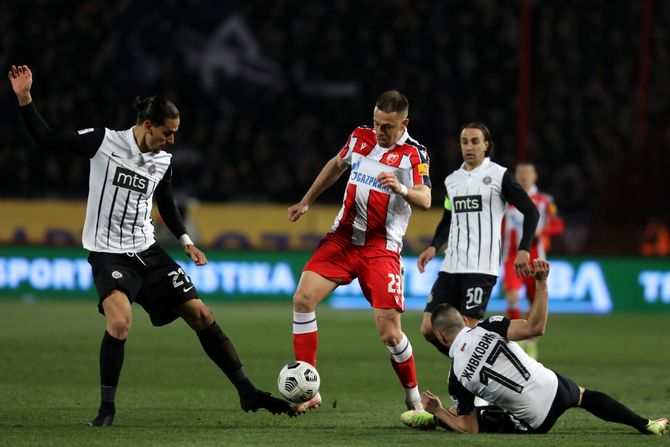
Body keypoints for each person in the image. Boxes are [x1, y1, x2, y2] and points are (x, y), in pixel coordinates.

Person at [8, 64, 293, 427]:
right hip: (109, 252)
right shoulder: (103, 142)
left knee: (202, 315)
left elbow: (167, 203)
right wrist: (25, 98)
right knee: (120, 323)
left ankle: (247, 393)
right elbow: (47, 138)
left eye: (175, 133)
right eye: (167, 132)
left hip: (149, 251)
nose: (172, 140)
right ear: (147, 126)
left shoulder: (162, 160)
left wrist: (187, 241)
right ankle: (107, 407)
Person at [401, 259, 669, 436]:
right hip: (557, 388)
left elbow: (468, 429)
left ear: (439, 336)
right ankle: (645, 424)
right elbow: (536, 328)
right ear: (466, 320)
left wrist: (438, 411)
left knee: (472, 415)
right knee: (585, 396)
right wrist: (541, 284)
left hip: (536, 421)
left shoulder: (456, 377)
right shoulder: (490, 325)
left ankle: (433, 418)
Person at [287, 90, 432, 412]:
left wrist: (401, 187)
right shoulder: (360, 137)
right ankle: (309, 390)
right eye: (377, 123)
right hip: (342, 239)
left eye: (388, 127)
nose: (380, 132)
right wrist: (307, 200)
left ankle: (413, 398)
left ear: (404, 123)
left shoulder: (413, 154)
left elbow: (425, 200)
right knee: (302, 299)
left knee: (390, 334)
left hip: (381, 249)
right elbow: (336, 165)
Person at [417, 122, 539, 356]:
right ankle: (472, 366)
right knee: (428, 328)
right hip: (451, 266)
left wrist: (524, 249)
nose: (469, 146)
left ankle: (475, 381)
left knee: (468, 332)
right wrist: (433, 246)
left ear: (486, 145)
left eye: (475, 141)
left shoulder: (498, 176)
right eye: (464, 142)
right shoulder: (452, 180)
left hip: (481, 267)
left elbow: (531, 211)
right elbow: (447, 218)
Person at [501, 162, 564, 358]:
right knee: (512, 296)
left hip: (536, 257)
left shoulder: (544, 201)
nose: (524, 177)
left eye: (528, 173)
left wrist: (541, 230)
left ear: (535, 176)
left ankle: (531, 342)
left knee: (533, 301)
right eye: (520, 173)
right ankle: (515, 342)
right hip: (511, 256)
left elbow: (558, 225)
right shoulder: (506, 200)